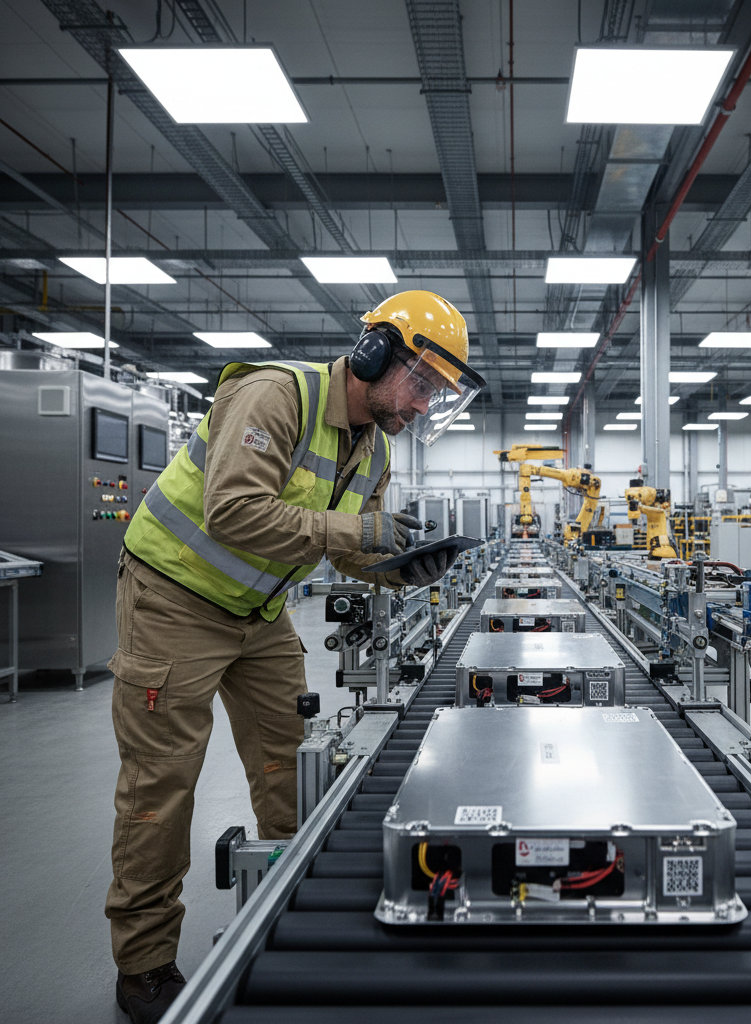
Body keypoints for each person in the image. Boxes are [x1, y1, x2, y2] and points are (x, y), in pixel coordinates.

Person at [106, 291, 485, 1023]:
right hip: (175, 597)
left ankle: (291, 903)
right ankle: (144, 964)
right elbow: (234, 511)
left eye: (436, 395)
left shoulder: (374, 446)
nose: (422, 406)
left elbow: (345, 549)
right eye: (421, 383)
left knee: (295, 762)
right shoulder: (276, 395)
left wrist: (402, 568)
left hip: (260, 611)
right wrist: (360, 532)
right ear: (375, 352)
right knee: (162, 784)